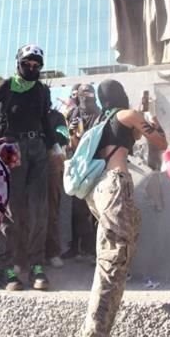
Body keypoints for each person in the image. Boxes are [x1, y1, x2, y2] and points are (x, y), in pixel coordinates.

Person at [79, 79, 167, 337]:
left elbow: (135, 136)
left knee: (114, 257)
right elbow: (159, 142)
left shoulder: (100, 122)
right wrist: (151, 118)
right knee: (112, 263)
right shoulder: (127, 114)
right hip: (116, 185)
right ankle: (94, 332)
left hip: (97, 190)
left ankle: (97, 328)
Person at [0, 44, 59, 291]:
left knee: (39, 208)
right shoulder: (7, 85)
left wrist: (54, 145)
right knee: (12, 209)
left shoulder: (42, 90)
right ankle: (7, 269)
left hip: (38, 149)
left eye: (36, 65)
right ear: (18, 64)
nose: (32, 68)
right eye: (27, 64)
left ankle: (36, 265)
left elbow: (46, 120)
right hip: (12, 149)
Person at [62, 84, 99, 262]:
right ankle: (76, 247)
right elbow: (70, 145)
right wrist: (71, 134)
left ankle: (93, 250)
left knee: (95, 211)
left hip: (96, 166)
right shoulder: (73, 114)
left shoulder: (100, 114)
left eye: (89, 94)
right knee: (77, 210)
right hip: (78, 167)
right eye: (82, 94)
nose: (86, 97)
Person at [45, 108, 68, 268]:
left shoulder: (56, 116)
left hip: (51, 163)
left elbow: (64, 136)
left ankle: (52, 252)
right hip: (28, 164)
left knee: (51, 210)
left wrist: (45, 137)